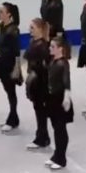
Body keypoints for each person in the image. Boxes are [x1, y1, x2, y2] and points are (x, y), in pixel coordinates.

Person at [0, 2, 22, 132]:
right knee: (8, 90)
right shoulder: (1, 26)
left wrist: (17, 68)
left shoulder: (13, 30)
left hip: (9, 64)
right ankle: (13, 118)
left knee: (11, 92)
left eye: (1, 11)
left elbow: (16, 52)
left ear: (9, 14)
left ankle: (13, 118)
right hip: (1, 62)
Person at [45, 37, 74, 170]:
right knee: (56, 128)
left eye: (52, 47)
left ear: (60, 49)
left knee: (60, 129)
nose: (50, 48)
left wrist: (67, 97)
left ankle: (61, 158)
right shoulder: (53, 61)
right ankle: (57, 154)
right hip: (52, 99)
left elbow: (66, 81)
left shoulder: (63, 63)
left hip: (60, 99)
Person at [24, 18, 52, 150]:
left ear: (40, 29)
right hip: (35, 80)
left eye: (32, 28)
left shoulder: (43, 46)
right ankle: (42, 135)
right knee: (38, 110)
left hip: (41, 82)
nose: (30, 30)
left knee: (40, 111)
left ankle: (42, 137)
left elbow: (45, 67)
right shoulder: (34, 42)